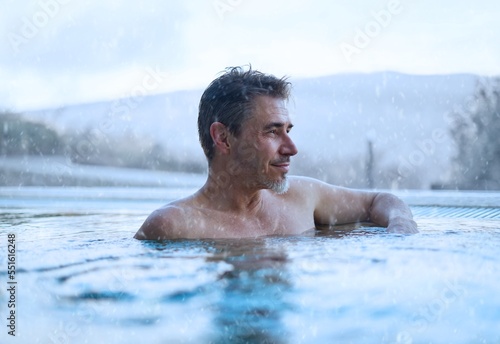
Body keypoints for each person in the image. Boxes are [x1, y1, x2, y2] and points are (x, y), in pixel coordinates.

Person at [134, 66, 418, 240]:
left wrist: (401, 228)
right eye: (272, 132)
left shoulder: (302, 197)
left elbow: (381, 201)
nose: (291, 148)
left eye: (288, 130)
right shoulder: (174, 226)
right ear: (223, 138)